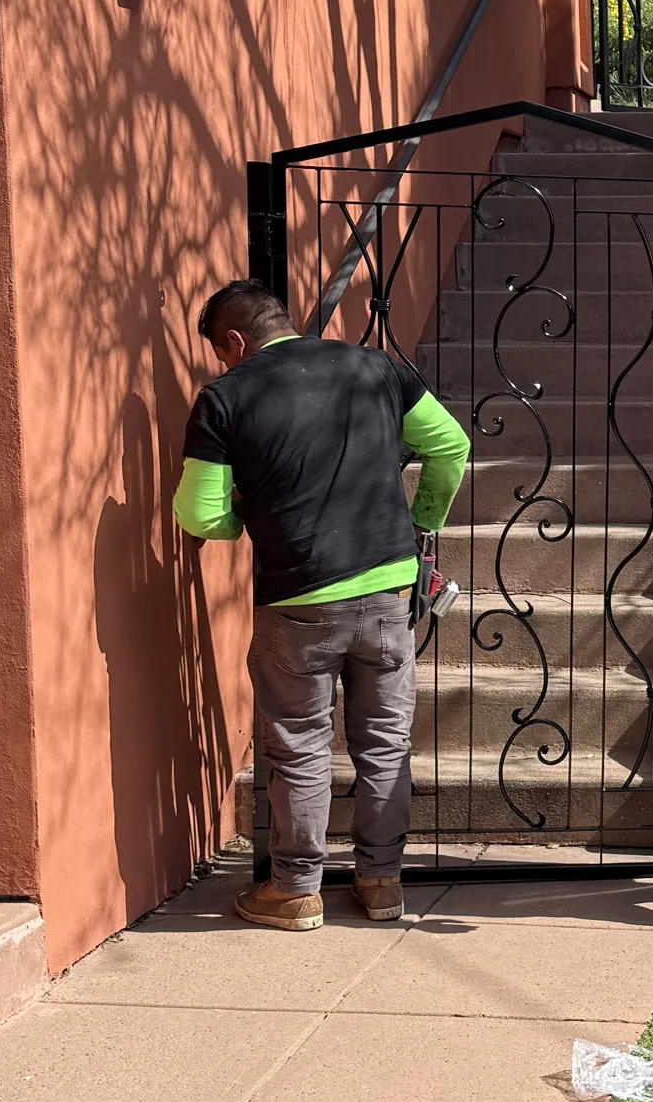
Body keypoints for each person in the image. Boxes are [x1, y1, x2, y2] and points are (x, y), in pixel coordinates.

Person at [173, 280, 470, 931]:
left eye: (221, 353)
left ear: (234, 340)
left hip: (298, 599)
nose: (224, 364)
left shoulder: (225, 398)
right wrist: (421, 523)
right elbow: (452, 446)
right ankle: (382, 883)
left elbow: (199, 514)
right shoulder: (376, 369)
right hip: (388, 591)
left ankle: (295, 891)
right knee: (385, 742)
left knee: (300, 743)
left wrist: (245, 517)